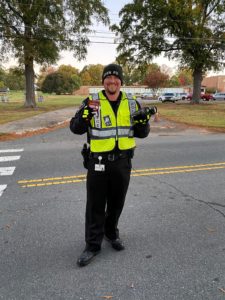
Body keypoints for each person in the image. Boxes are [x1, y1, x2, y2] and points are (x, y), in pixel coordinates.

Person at [70, 64, 156, 267]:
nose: (112, 81)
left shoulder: (132, 103)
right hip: (98, 163)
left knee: (117, 204)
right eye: (108, 78)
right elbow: (75, 128)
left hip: (123, 163)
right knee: (95, 206)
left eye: (116, 78)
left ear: (121, 82)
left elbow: (142, 133)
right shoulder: (92, 102)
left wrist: (144, 123)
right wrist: (84, 117)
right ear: (103, 81)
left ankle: (111, 234)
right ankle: (92, 245)